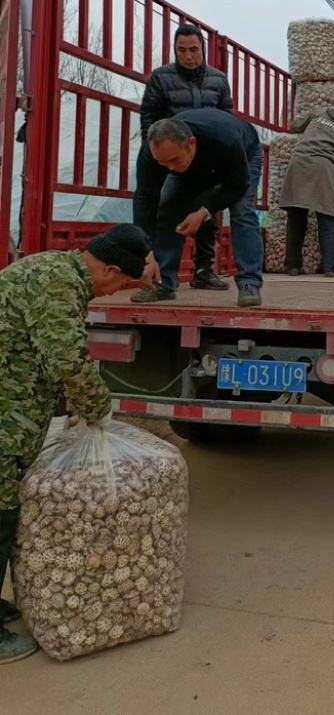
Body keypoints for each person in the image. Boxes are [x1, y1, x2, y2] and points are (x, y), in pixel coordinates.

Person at [0, 224, 152, 664]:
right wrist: (99, 408)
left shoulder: (53, 269)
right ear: (107, 269)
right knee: (0, 514)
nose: (116, 292)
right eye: (121, 283)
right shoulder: (57, 283)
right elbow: (66, 359)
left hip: (11, 413)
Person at [134, 22, 233, 292]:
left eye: (193, 49)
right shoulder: (160, 78)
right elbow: (149, 118)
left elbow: (226, 117)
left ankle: (203, 270)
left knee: (207, 212)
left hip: (206, 158)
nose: (188, 55)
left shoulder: (219, 80)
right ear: (175, 51)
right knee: (167, 210)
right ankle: (164, 276)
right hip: (171, 156)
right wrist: (156, 153)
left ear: (203, 48)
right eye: (182, 50)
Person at [134, 109, 264, 308]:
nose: (169, 168)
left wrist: (204, 211)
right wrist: (145, 252)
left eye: (174, 160)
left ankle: (249, 283)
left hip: (244, 154)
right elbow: (145, 201)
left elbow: (237, 186)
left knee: (241, 210)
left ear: (191, 143)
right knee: (167, 208)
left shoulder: (225, 138)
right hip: (196, 164)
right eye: (162, 163)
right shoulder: (152, 154)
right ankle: (163, 284)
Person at [279, 106, 334, 276]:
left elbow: (295, 126)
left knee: (296, 215)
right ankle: (331, 267)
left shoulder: (321, 112)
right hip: (324, 167)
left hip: (298, 162)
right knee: (327, 216)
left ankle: (293, 266)